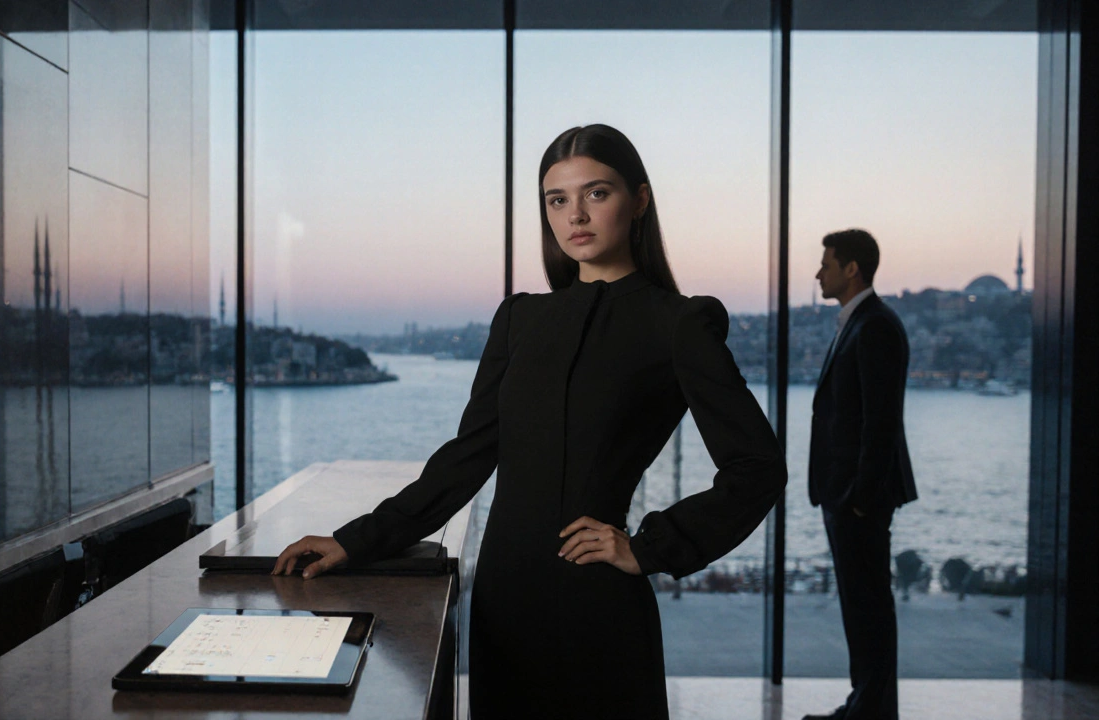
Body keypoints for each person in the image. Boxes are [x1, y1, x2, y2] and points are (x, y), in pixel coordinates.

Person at [273, 124, 787, 719]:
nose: (576, 215)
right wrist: (353, 540)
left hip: (597, 605)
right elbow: (466, 458)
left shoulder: (679, 324)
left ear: (639, 201)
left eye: (597, 193)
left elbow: (757, 468)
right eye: (557, 200)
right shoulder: (518, 319)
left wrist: (649, 547)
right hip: (503, 597)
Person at [803, 229, 918, 720]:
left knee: (868, 607)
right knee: (861, 607)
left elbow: (881, 422)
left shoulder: (874, 326)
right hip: (846, 493)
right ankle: (864, 707)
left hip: (859, 497)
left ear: (852, 269)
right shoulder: (859, 323)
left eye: (826, 263)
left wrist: (858, 498)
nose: (818, 272)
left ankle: (870, 711)